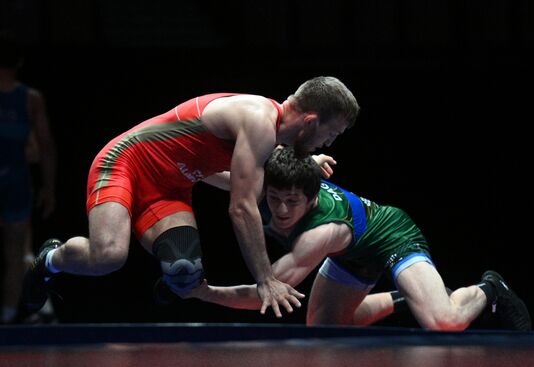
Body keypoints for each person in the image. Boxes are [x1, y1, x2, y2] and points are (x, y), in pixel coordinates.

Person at [22, 76, 360, 318]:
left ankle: (171, 273)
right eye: (331, 134)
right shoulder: (258, 121)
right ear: (312, 121)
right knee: (108, 255)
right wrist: (265, 279)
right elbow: (241, 208)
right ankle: (51, 258)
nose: (329, 143)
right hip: (125, 163)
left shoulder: (268, 133)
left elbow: (244, 181)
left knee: (185, 273)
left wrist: (306, 160)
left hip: (168, 188)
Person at [184, 146, 532, 331]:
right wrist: (184, 165)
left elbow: (269, 292)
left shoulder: (318, 235)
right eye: (274, 199)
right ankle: (405, 296)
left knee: (445, 323)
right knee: (323, 328)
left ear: (313, 196)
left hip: (392, 236)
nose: (282, 210)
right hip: (353, 253)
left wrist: (205, 292)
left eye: (293, 202)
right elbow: (230, 177)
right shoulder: (284, 180)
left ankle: (490, 289)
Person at [0, 30, 57, 323]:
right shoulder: (30, 99)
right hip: (17, 182)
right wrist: (49, 187)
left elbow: (41, 147)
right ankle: (21, 312)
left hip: (15, 181)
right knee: (19, 250)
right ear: (19, 62)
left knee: (19, 249)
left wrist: (48, 186)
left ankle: (12, 315)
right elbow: (41, 148)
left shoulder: (29, 99)